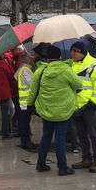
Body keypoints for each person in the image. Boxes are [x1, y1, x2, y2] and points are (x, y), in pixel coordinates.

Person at [27, 45, 82, 176]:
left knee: (46, 137)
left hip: (46, 111)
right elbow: (79, 85)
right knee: (60, 139)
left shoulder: (40, 71)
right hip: (64, 111)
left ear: (47, 59)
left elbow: (33, 90)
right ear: (59, 57)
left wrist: (29, 105)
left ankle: (41, 164)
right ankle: (62, 167)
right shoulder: (66, 70)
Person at [69, 41, 96, 173]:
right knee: (81, 134)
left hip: (90, 106)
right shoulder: (71, 65)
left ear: (82, 52)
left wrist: (93, 102)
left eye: (75, 51)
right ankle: (86, 159)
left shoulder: (95, 64)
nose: (72, 53)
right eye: (72, 51)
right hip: (76, 106)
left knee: (94, 134)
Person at [16, 53, 37, 149]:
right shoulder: (25, 70)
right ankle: (25, 141)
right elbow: (31, 83)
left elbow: (15, 77)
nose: (32, 59)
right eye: (30, 58)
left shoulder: (24, 69)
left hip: (24, 100)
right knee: (25, 121)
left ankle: (26, 140)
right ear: (26, 60)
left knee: (25, 120)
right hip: (26, 101)